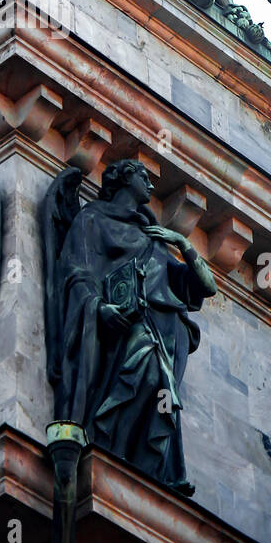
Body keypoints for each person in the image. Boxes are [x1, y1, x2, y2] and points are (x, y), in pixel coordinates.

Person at [54, 159, 216, 494]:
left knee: (163, 395)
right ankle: (113, 454)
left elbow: (207, 287)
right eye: (144, 177)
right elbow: (76, 274)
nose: (152, 185)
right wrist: (99, 308)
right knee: (142, 382)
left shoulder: (154, 238)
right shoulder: (92, 220)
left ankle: (152, 469)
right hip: (130, 326)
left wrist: (183, 244)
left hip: (171, 329)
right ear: (123, 178)